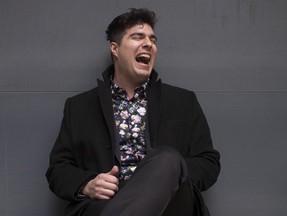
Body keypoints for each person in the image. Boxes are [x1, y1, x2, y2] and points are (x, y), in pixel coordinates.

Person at [46, 8, 220, 216]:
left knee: (167, 158)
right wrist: (88, 184)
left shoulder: (183, 101)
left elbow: (208, 162)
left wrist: (167, 176)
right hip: (105, 205)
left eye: (153, 40)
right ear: (115, 49)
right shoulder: (79, 107)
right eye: (138, 37)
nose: (148, 43)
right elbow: (58, 170)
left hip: (171, 204)